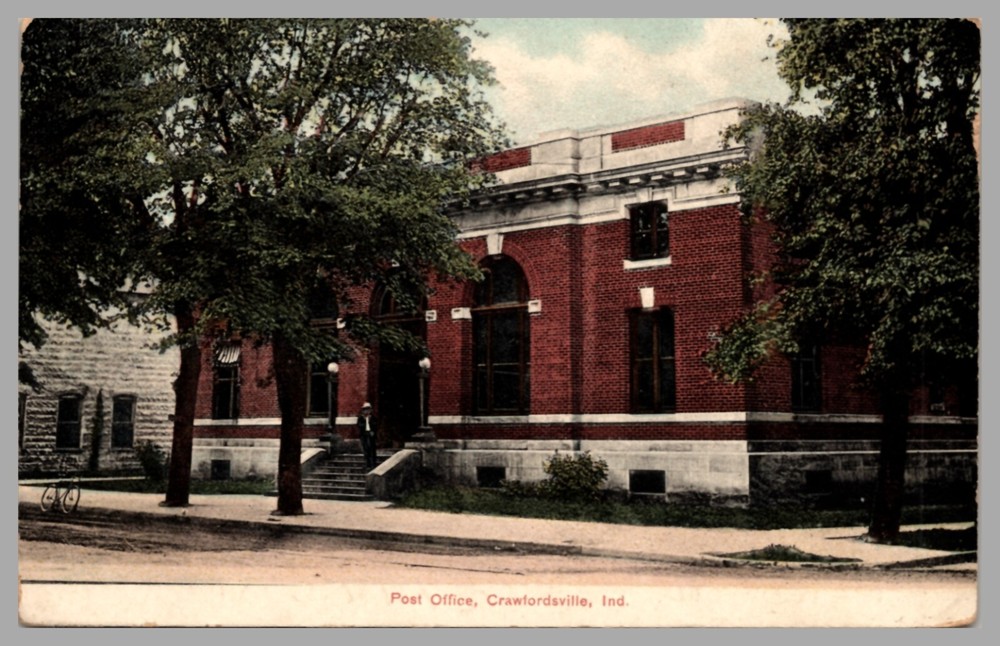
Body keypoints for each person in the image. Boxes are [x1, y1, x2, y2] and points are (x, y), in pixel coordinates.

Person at [357, 402, 378, 470]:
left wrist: (373, 431)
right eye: (365, 409)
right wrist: (366, 421)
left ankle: (373, 464)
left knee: (372, 449)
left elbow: (376, 425)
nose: (367, 411)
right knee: (366, 450)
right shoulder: (361, 418)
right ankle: (367, 464)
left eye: (368, 409)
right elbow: (359, 426)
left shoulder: (373, 418)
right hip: (364, 435)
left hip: (371, 434)